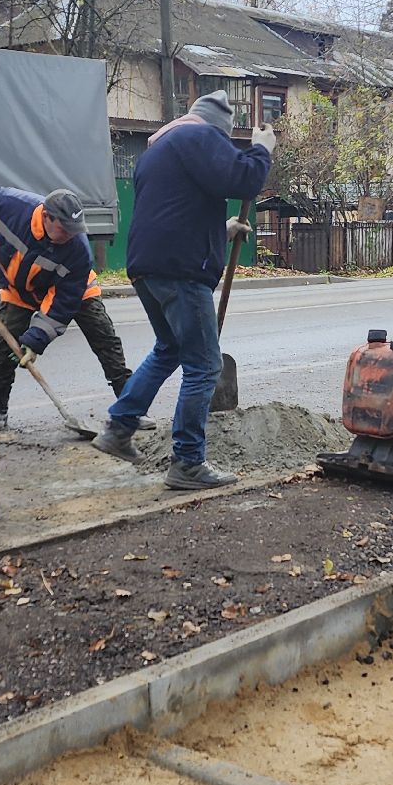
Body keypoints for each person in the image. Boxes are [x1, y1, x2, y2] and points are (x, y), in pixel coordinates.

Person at [92, 91, 274, 490]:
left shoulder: (158, 150)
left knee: (169, 349)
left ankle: (118, 428)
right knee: (204, 365)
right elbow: (243, 179)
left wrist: (219, 231)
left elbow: (173, 211)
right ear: (217, 129)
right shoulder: (200, 137)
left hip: (149, 268)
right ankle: (188, 462)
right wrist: (261, 150)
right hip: (180, 271)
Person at [0, 186, 133, 432]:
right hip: (20, 291)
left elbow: (62, 303)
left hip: (76, 292)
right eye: (64, 228)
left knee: (105, 340)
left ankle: (130, 410)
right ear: (46, 216)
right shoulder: (10, 207)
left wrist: (36, 341)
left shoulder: (77, 250)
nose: (70, 234)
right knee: (2, 352)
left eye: (75, 229)